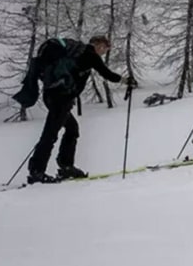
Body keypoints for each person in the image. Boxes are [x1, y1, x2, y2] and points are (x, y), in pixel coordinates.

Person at [26, 35, 134, 184]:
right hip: (60, 98)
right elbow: (106, 73)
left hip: (52, 95)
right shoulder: (89, 54)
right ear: (96, 44)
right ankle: (37, 172)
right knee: (50, 134)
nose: (103, 52)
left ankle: (66, 166)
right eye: (104, 47)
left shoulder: (76, 53)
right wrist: (126, 80)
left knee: (72, 129)